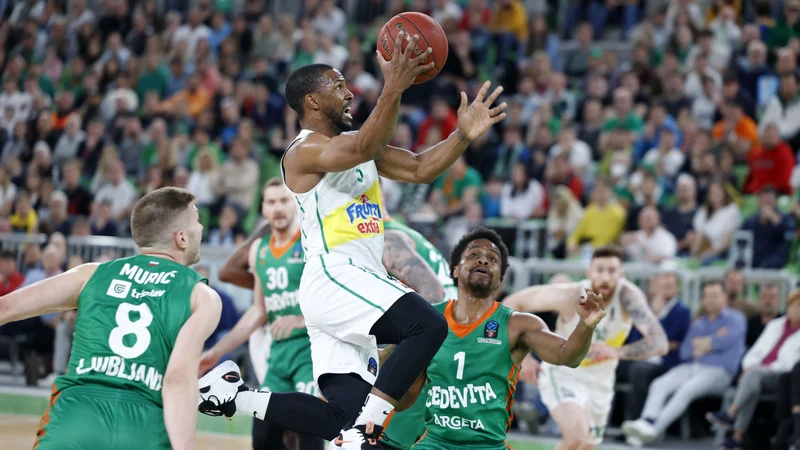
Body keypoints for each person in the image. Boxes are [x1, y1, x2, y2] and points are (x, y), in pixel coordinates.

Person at [201, 33, 508, 449]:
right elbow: (368, 142)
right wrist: (394, 85)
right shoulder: (303, 150)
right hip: (335, 273)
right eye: (338, 85)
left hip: (346, 285)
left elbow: (419, 168)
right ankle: (371, 423)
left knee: (338, 417)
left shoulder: (360, 148)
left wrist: (463, 136)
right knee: (428, 324)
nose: (349, 94)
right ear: (312, 101)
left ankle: (232, 396)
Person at [0, 187, 221, 449]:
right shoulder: (202, 296)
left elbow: (6, 308)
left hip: (76, 417)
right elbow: (177, 380)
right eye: (197, 221)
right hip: (144, 425)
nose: (202, 228)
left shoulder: (91, 274)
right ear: (182, 238)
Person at [395, 227, 607, 450]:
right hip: (436, 443)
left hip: (488, 445)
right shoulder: (429, 319)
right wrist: (385, 369)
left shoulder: (518, 325)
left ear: (500, 279)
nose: (484, 261)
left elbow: (567, 356)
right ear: (456, 270)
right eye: (474, 255)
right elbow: (405, 399)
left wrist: (586, 325)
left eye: (492, 259)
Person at [199, 178, 324, 450]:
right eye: (271, 202)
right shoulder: (258, 250)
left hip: (311, 353)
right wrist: (217, 351)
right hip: (278, 356)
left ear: (295, 203)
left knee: (310, 429)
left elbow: (333, 296)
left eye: (283, 200)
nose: (278, 208)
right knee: (262, 438)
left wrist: (303, 319)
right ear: (263, 209)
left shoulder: (311, 242)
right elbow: (259, 311)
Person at [503, 245, 669, 449]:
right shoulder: (571, 295)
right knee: (576, 438)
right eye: (600, 270)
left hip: (602, 380)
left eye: (612, 271)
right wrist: (522, 357)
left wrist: (617, 351)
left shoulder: (628, 297)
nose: (605, 277)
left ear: (621, 274)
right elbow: (511, 304)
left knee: (586, 446)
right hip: (564, 371)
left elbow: (660, 342)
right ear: (589, 272)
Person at [621, 281, 747, 445]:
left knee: (686, 390)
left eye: (715, 295)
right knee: (660, 384)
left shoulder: (736, 318)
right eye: (707, 296)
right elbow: (685, 351)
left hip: (720, 371)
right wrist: (711, 342)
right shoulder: (700, 322)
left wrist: (705, 344)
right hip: (692, 366)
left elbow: (726, 341)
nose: (711, 300)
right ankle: (647, 421)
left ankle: (654, 431)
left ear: (724, 296)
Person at [706, 289, 800, 450]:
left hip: (781, 376)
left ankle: (731, 413)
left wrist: (758, 368)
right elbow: (755, 351)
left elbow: (791, 363)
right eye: (794, 306)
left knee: (753, 376)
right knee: (752, 385)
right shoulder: (774, 325)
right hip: (757, 372)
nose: (796, 310)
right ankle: (737, 438)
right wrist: (750, 365)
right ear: (788, 306)